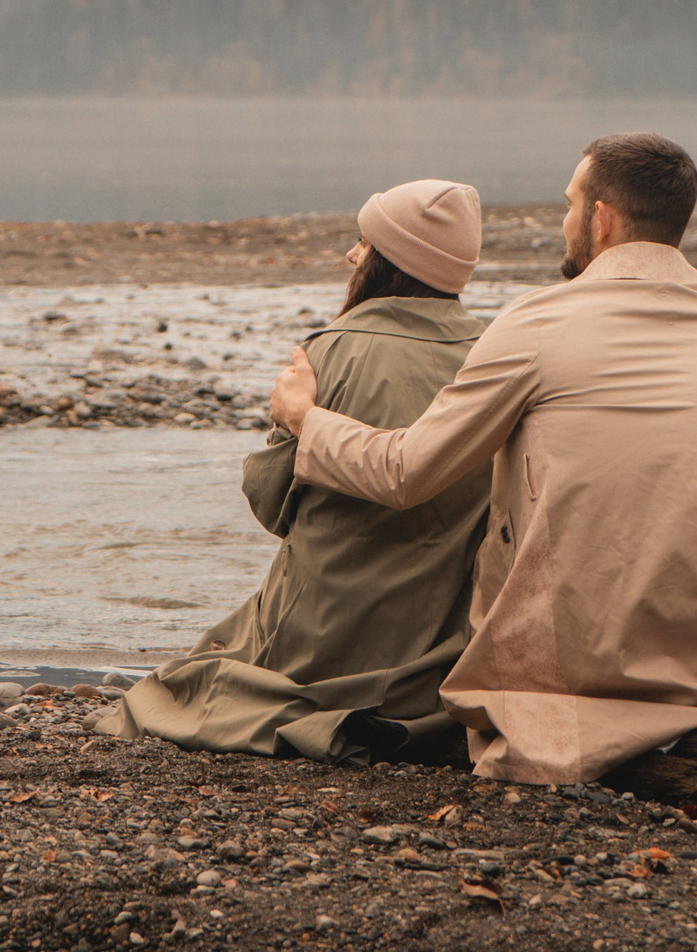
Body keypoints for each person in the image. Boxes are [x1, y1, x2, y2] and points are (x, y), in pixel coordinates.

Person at [268, 134, 697, 784]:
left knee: (515, 431)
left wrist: (305, 419)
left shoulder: (537, 320)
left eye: (569, 205)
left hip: (576, 647)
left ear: (601, 219)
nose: (564, 221)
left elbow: (406, 472)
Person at [96, 179, 492, 764]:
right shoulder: (492, 354)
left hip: (321, 625)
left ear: (391, 262)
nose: (352, 255)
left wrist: (290, 419)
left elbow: (270, 501)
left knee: (188, 685)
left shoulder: (327, 352)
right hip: (443, 639)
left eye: (364, 243)